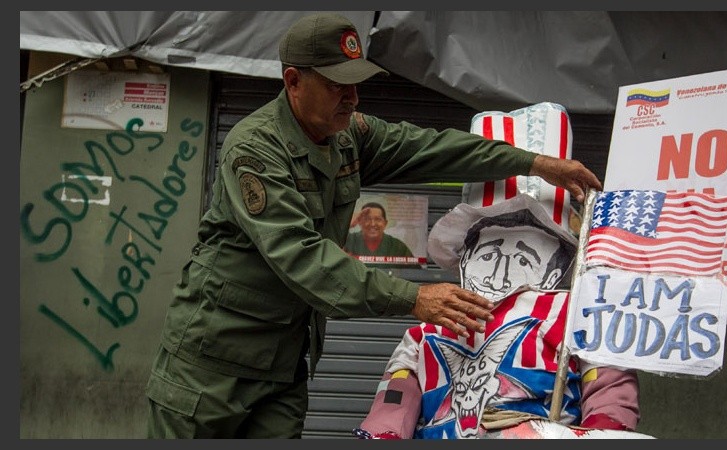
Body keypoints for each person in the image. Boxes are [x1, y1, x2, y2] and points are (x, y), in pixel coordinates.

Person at [145, 12, 602, 439]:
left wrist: (535, 163)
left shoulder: (346, 136)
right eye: (337, 86)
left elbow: (433, 149)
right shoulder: (255, 149)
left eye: (356, 84)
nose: (352, 98)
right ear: (293, 82)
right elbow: (302, 257)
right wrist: (414, 298)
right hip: (212, 363)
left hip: (282, 366)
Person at [354, 195, 641, 439]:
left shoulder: (574, 315)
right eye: (489, 256)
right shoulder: (427, 332)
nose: (498, 275)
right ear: (465, 259)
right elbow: (396, 395)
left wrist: (601, 431)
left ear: (555, 271)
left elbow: (608, 387)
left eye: (523, 260)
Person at [344, 202, 414, 258]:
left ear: (385, 223)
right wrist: (348, 224)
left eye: (378, 219)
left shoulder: (397, 246)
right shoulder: (347, 240)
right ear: (360, 222)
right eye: (367, 219)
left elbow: (414, 270)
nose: (373, 224)